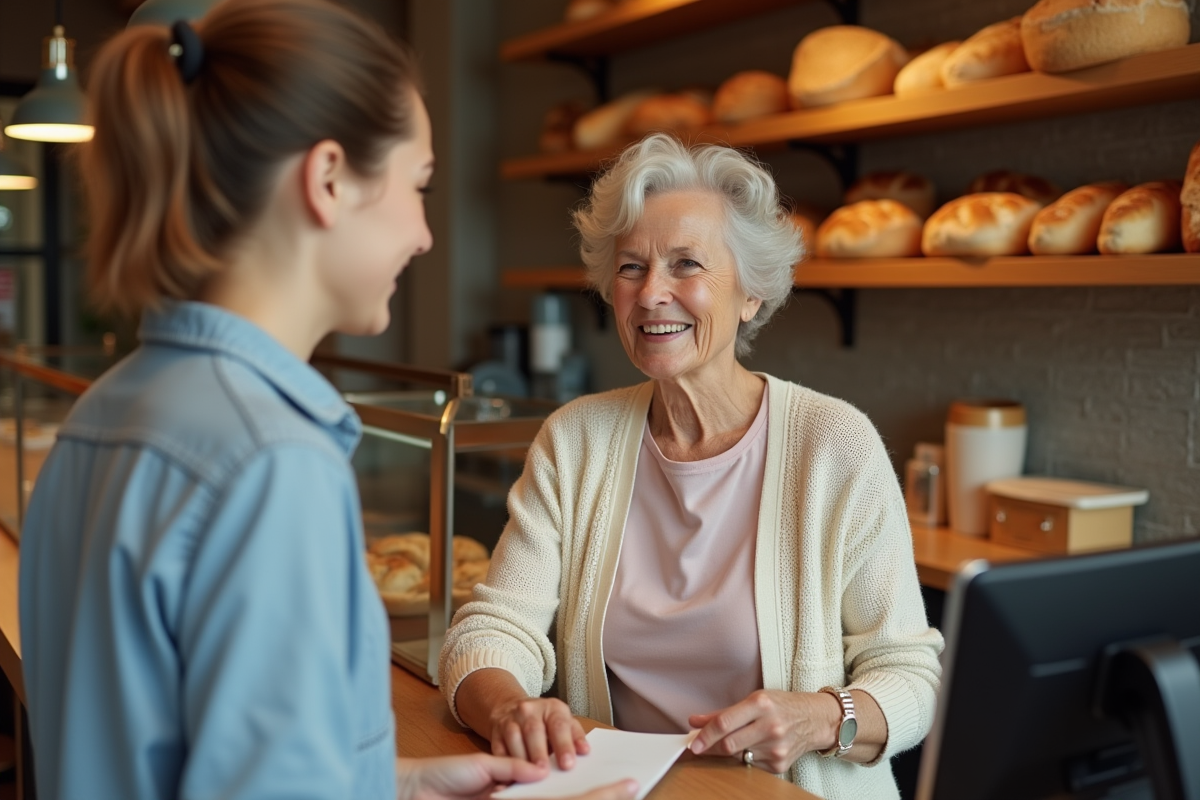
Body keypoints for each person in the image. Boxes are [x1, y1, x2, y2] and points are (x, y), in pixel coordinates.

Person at [16, 3, 636, 799]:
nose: (425, 235)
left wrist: (400, 784)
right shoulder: (273, 459)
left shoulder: (103, 409)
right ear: (329, 178)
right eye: (419, 186)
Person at [439, 133, 945, 800]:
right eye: (630, 268)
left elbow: (908, 673)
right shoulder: (575, 439)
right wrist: (509, 707)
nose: (651, 294)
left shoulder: (835, 444)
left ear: (751, 294)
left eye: (686, 265)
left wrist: (822, 718)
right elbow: (491, 628)